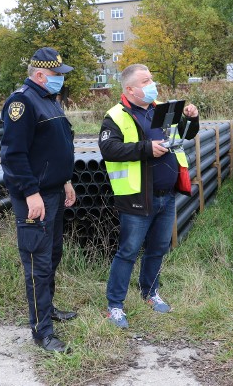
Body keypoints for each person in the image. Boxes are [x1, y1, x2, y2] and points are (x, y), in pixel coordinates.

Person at [98, 63, 199, 328]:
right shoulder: (116, 116)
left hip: (166, 195)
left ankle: (150, 293)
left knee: (157, 249)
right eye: (146, 81)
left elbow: (185, 135)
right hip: (137, 197)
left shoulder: (161, 109)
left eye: (151, 79)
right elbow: (108, 149)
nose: (152, 84)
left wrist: (191, 118)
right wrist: (145, 149)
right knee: (128, 251)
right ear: (130, 89)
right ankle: (115, 306)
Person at [0, 47, 77, 353]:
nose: (61, 80)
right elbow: (13, 155)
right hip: (36, 197)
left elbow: (54, 148)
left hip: (55, 192)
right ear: (42, 75)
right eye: (58, 75)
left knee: (52, 255)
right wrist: (31, 193)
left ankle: (49, 309)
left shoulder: (48, 100)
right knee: (37, 262)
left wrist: (66, 181)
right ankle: (41, 330)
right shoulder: (21, 102)